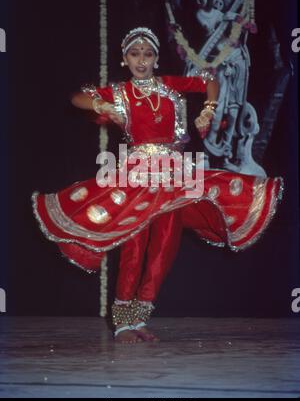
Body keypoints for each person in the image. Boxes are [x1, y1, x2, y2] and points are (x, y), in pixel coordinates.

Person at [32, 27, 283, 343]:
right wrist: (101, 105)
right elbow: (78, 96)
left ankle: (139, 318)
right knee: (134, 244)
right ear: (125, 59)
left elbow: (210, 80)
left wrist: (208, 109)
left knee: (164, 247)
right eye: (134, 54)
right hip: (137, 174)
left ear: (155, 58)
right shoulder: (120, 91)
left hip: (174, 174)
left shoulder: (168, 86)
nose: (141, 60)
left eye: (147, 54)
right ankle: (123, 322)